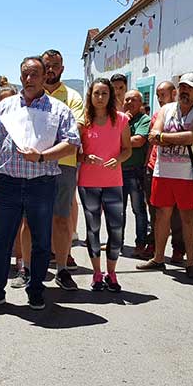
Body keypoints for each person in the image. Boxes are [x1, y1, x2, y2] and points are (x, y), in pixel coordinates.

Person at [0, 56, 80, 311]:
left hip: (42, 184)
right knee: (0, 241)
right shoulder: (6, 106)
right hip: (8, 184)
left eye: (34, 74)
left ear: (45, 77)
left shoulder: (58, 109)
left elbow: (72, 141)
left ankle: (36, 291)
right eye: (25, 74)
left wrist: (43, 156)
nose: (29, 79)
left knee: (42, 241)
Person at [148, 73, 193, 279]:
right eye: (182, 87)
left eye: (190, 88)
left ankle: (190, 262)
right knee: (161, 217)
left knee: (188, 218)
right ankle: (158, 258)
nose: (185, 91)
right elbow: (153, 136)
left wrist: (164, 137)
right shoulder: (166, 109)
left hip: (188, 173)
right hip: (163, 171)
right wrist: (176, 138)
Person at [78, 78, 131, 292]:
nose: (100, 98)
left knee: (116, 230)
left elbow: (127, 149)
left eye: (104, 94)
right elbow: (74, 152)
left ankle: (112, 273)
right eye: (96, 93)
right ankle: (97, 273)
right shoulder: (83, 122)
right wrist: (84, 157)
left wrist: (118, 159)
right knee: (93, 229)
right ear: (90, 96)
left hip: (113, 183)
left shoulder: (121, 120)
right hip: (88, 183)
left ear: (111, 96)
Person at [41, 49, 84, 290]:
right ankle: (30, 265)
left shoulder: (73, 96)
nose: (51, 69)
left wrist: (44, 135)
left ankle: (63, 265)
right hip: (33, 165)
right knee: (33, 218)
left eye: (55, 65)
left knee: (61, 217)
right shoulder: (30, 94)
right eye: (47, 64)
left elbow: (75, 128)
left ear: (62, 69)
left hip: (64, 165)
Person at [137, 81, 186, 270]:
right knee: (155, 211)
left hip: (176, 169)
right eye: (157, 95)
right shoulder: (157, 115)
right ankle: (156, 248)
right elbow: (152, 141)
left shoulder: (182, 114)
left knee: (177, 214)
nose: (159, 98)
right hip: (153, 167)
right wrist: (146, 164)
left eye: (162, 94)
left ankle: (178, 250)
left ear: (174, 94)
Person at [121, 89, 151, 258]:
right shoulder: (121, 119)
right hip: (118, 170)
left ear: (140, 104)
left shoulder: (144, 119)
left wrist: (117, 140)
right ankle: (117, 242)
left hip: (135, 171)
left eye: (134, 100)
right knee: (119, 210)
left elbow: (139, 141)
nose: (130, 103)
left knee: (138, 209)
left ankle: (140, 243)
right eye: (127, 100)